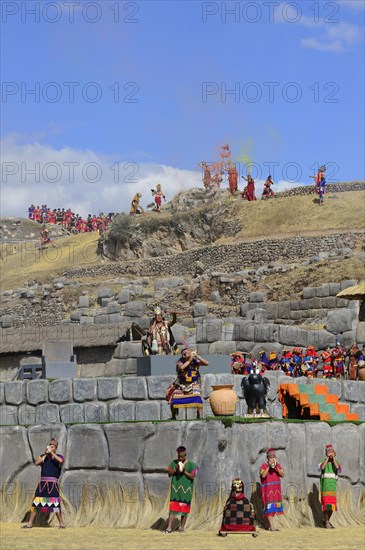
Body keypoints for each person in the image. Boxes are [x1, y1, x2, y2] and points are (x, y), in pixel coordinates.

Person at [21, 438, 65, 529]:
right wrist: (45, 454)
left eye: (52, 447)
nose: (50, 448)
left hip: (52, 485)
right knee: (36, 502)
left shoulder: (59, 456)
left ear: (55, 448)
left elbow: (61, 461)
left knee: (55, 504)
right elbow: (37, 463)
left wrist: (52, 453)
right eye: (49, 446)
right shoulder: (43, 456)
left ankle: (61, 524)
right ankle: (30, 524)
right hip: (42, 485)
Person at [165, 446, 199, 533]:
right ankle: (169, 527)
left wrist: (184, 471)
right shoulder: (174, 463)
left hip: (186, 490)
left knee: (184, 508)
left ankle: (182, 527)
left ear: (185, 455)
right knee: (173, 507)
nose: (180, 458)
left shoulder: (192, 465)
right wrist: (175, 468)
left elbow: (192, 476)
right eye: (179, 456)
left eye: (182, 456)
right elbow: (169, 474)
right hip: (175, 489)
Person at [168, 348, 208, 420]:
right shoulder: (180, 362)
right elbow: (182, 367)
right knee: (173, 399)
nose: (189, 354)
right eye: (187, 353)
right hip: (182, 384)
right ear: (183, 355)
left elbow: (206, 363)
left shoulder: (195, 361)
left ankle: (200, 415)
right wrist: (189, 360)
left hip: (193, 384)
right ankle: (173, 416)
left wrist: (198, 357)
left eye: (189, 352)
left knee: (198, 397)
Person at [260, 448, 284, 531]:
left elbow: (282, 474)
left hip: (276, 489)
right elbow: (263, 475)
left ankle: (269, 526)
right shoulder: (263, 466)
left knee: (274, 507)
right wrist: (268, 466)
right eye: (271, 457)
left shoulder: (278, 465)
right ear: (268, 457)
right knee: (269, 507)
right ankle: (272, 527)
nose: (272, 458)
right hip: (268, 490)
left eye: (274, 456)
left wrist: (276, 466)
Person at [319, 444, 341, 529]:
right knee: (326, 505)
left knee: (331, 507)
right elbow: (322, 467)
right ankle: (327, 523)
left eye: (331, 450)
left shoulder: (336, 462)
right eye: (328, 451)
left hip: (332, 488)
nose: (330, 452)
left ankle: (326, 520)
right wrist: (327, 458)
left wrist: (334, 458)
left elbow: (337, 468)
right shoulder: (323, 461)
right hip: (325, 487)